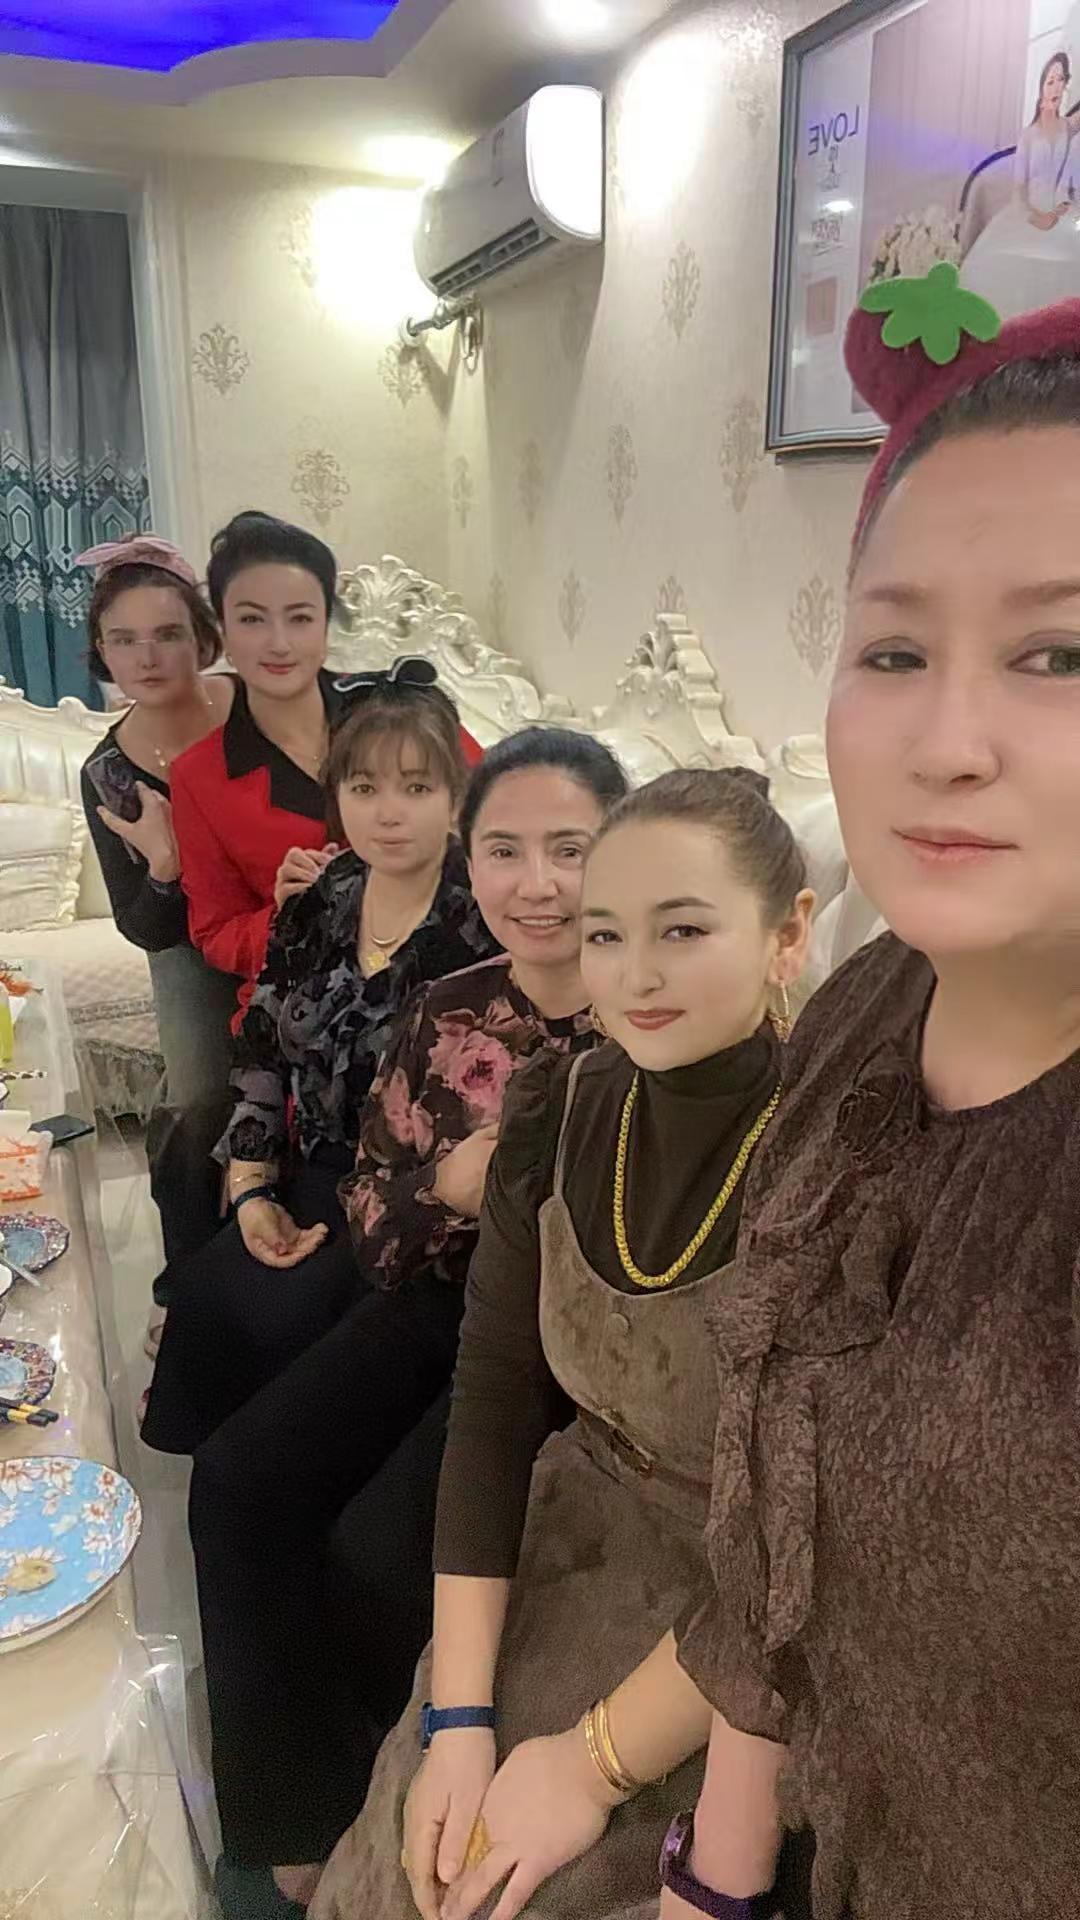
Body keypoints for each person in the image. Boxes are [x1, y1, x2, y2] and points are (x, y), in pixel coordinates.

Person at [633, 282, 1080, 1918]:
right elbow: (774, 1520)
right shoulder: (860, 1012)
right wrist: (717, 1876)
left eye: (1059, 652)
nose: (946, 740)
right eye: (894, 649)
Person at [308, 765, 815, 1920]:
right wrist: (457, 1719)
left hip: (741, 1629)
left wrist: (593, 1766)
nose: (635, 975)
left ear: (787, 936)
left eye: (683, 930)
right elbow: (491, 1409)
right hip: (570, 1536)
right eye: (606, 934)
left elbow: (812, 1545)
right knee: (413, 1839)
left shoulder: (834, 1157)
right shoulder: (558, 1109)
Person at [184, 728, 627, 1920]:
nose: (538, 883)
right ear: (471, 861)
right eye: (505, 850)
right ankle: (288, 1813)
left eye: (572, 848)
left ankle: (386, 1799)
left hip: (571, 1349)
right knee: (238, 1481)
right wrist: (452, 1186)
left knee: (380, 1557)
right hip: (438, 1294)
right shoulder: (447, 1008)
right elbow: (375, 1218)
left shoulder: (651, 1011)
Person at [141, 664, 493, 1459]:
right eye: (364, 788)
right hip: (310, 1166)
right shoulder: (322, 896)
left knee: (283, 1322)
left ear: (456, 799)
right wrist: (251, 1187)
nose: (388, 812)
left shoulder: (481, 922)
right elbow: (263, 1047)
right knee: (206, 1291)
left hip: (409, 1202)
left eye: (417, 787)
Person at [169, 510, 482, 1024]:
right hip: (303, 1009)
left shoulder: (400, 708)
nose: (279, 643)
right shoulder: (199, 776)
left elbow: (497, 820)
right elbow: (216, 934)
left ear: (325, 624)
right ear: (222, 629)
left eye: (300, 618)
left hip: (444, 983)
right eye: (251, 619)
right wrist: (287, 911)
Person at [78, 534, 239, 1272]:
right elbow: (144, 926)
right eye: (124, 640)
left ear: (202, 638)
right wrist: (166, 865)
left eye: (168, 634)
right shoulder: (109, 772)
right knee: (201, 1098)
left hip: (295, 921)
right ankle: (189, 1275)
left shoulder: (255, 708)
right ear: (102, 653)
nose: (147, 658)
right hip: (190, 944)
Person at [961, 51, 1080, 321]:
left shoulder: (1069, 129)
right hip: (1027, 214)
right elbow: (1019, 190)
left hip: (1061, 214)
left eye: (1061, 80)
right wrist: (1036, 217)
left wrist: (1058, 213)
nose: (1055, 87)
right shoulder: (1029, 135)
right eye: (1050, 81)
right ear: (1041, 86)